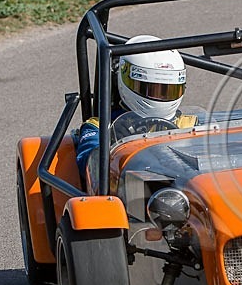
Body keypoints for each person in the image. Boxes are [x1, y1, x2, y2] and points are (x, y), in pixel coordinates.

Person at [76, 35, 196, 178]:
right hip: (127, 194)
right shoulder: (99, 128)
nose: (161, 97)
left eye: (168, 91)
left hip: (182, 191)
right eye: (152, 90)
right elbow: (88, 166)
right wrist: (113, 146)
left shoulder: (190, 124)